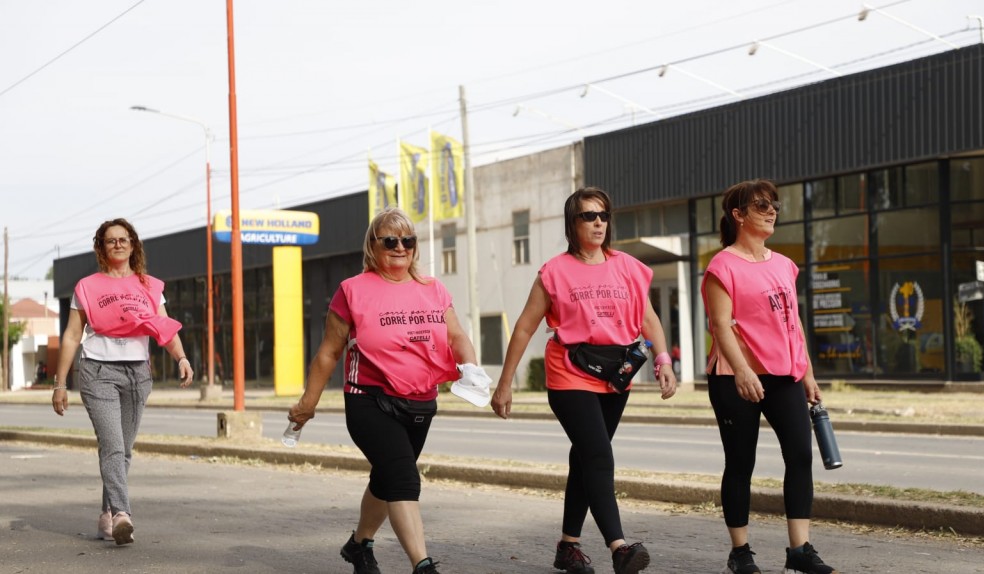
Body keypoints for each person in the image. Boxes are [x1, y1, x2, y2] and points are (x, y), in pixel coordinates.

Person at [491, 187, 677, 574]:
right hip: (570, 373)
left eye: (603, 216)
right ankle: (619, 547)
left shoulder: (627, 266)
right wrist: (505, 383)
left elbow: (648, 319)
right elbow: (525, 328)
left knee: (585, 459)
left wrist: (663, 359)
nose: (598, 223)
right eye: (588, 216)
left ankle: (568, 547)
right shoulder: (554, 272)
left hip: (617, 375)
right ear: (571, 224)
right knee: (598, 455)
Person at [288, 208, 481, 574]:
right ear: (372, 246)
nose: (399, 247)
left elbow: (456, 336)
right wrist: (307, 404)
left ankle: (359, 545)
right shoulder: (353, 290)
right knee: (404, 478)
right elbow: (329, 352)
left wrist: (470, 368)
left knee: (387, 477)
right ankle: (423, 565)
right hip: (369, 400)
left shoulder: (433, 289)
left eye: (407, 240)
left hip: (421, 401)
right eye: (389, 240)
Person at [701, 179, 836, 574]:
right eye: (761, 205)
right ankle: (740, 553)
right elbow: (720, 326)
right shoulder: (721, 266)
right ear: (738, 215)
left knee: (800, 455)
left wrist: (808, 371)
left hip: (784, 375)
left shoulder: (783, 264)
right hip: (735, 377)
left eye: (774, 205)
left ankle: (800, 550)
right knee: (741, 462)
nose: (772, 210)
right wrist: (742, 370)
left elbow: (793, 322)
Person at [51, 218, 194, 546]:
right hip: (97, 371)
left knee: (122, 450)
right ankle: (123, 514)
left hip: (137, 373)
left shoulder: (149, 286)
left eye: (123, 239)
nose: (118, 244)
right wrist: (60, 384)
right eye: (111, 240)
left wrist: (182, 358)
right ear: (101, 247)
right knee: (113, 445)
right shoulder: (87, 287)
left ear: (133, 245)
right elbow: (73, 335)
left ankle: (106, 515)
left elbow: (163, 328)